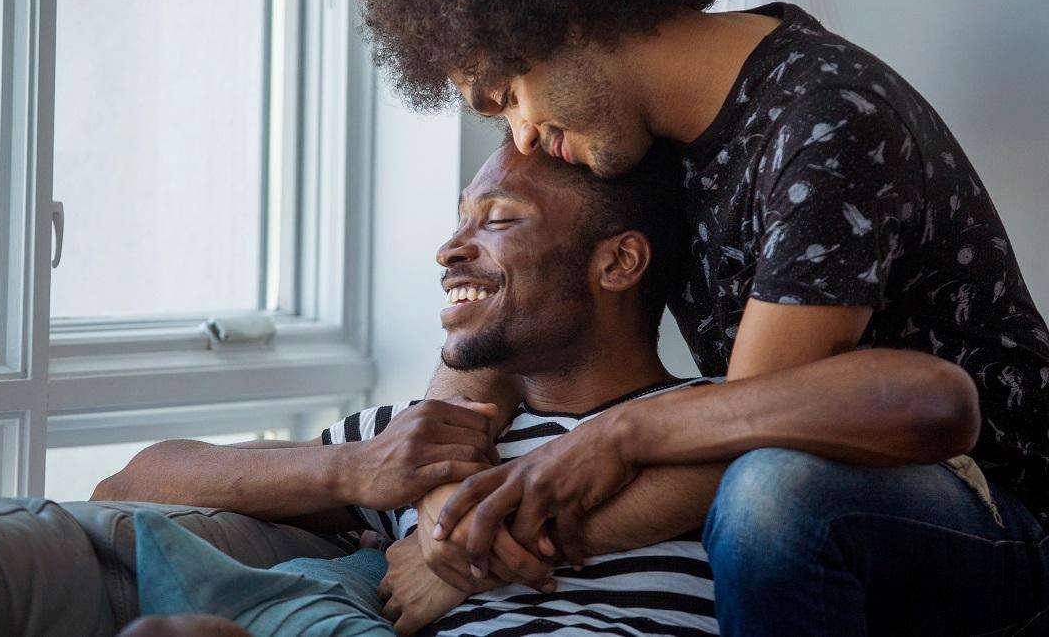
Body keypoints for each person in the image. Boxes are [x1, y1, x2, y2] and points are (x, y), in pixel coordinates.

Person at [353, 0, 1049, 635]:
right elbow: (478, 370)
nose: (521, 135)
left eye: (508, 96)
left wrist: (478, 560)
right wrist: (436, 508)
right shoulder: (629, 136)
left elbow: (742, 432)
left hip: (1000, 514)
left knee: (771, 495)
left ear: (561, 9)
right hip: (817, 465)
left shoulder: (826, 122)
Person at [99, 142, 980, 636]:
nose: (450, 250)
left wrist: (482, 555)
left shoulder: (710, 425)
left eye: (499, 222)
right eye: (456, 222)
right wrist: (352, 472)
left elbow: (929, 399)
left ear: (618, 262)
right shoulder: (415, 441)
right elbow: (129, 486)